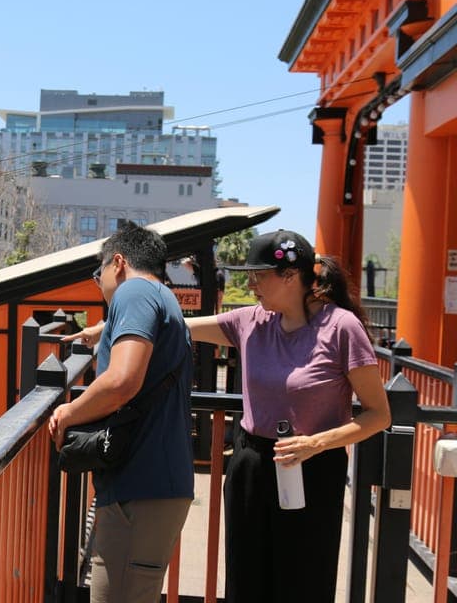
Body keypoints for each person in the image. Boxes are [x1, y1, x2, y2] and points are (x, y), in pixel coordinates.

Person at [186, 229, 391, 603]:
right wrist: (109, 327)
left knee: (303, 583)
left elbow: (379, 415)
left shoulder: (341, 328)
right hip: (251, 463)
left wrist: (315, 443)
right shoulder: (251, 321)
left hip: (314, 467)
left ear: (291, 276)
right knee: (245, 582)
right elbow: (178, 326)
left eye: (258, 275)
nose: (250, 285)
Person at [51, 221, 194, 603]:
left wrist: (68, 413)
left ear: (118, 263)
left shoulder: (134, 292)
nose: (98, 285)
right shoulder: (162, 296)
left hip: (140, 488)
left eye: (97, 275)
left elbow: (122, 381)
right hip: (154, 485)